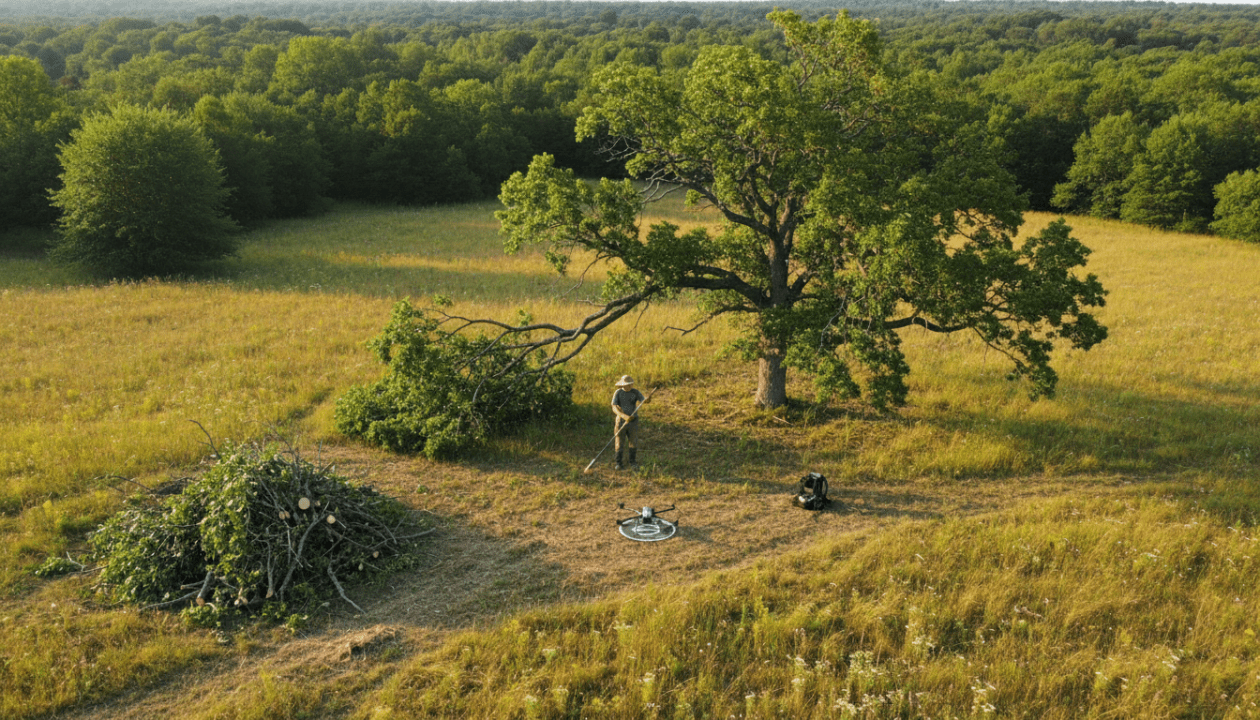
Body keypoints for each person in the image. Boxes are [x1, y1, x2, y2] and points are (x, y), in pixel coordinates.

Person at [610, 375, 647, 470]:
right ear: (623, 384)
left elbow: (644, 400)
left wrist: (647, 399)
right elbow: (614, 407)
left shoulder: (635, 392)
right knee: (619, 442)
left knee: (633, 441)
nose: (630, 386)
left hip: (633, 421)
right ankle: (618, 463)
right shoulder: (618, 393)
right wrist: (624, 416)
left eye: (631, 384)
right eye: (628, 384)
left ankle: (633, 462)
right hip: (621, 421)